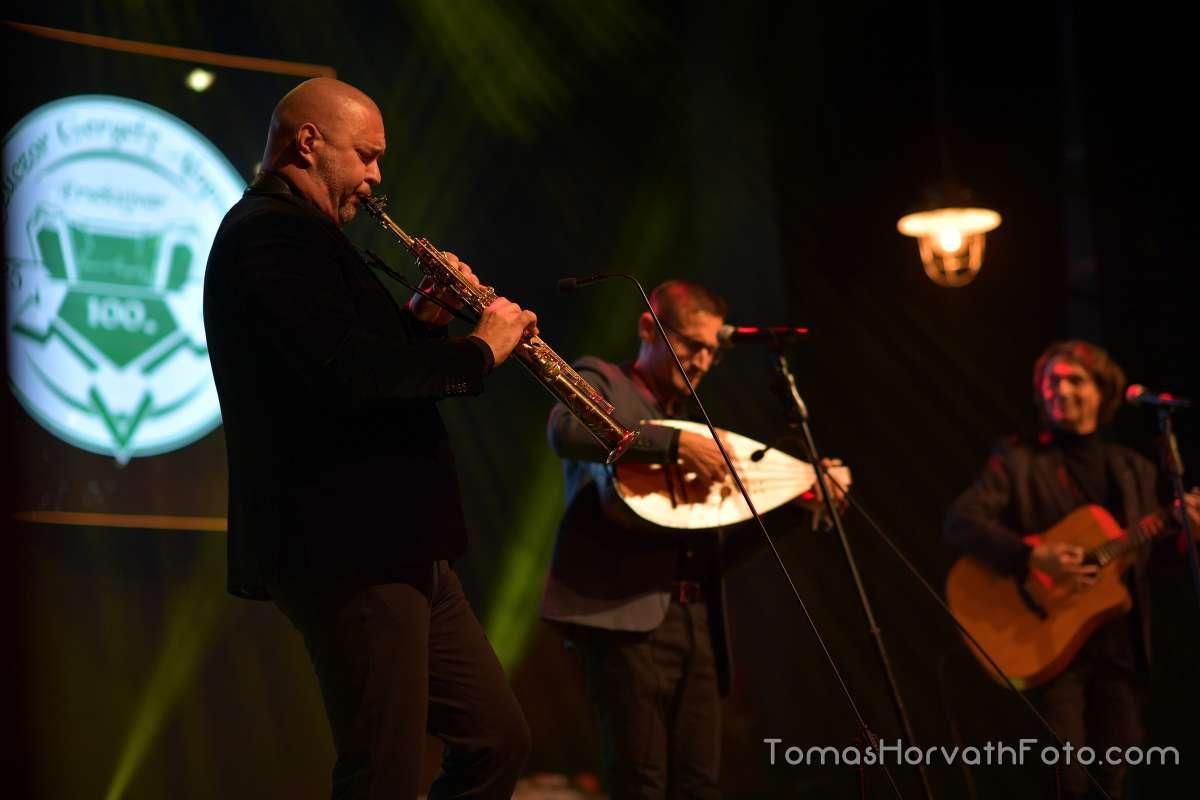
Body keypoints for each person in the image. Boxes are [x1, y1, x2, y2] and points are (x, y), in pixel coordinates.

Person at [203, 78, 533, 799]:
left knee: (495, 741)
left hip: (401, 544)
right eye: (367, 156)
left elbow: (355, 362)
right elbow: (350, 374)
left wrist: (421, 321)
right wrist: (479, 350)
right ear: (309, 143)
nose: (377, 176)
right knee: (382, 774)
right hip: (347, 544)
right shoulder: (267, 233)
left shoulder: (306, 236)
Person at [541, 279, 837, 799]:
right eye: (690, 345)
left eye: (710, 351)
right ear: (648, 328)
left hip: (697, 623)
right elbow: (566, 429)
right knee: (641, 783)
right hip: (625, 620)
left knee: (700, 784)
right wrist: (671, 442)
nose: (701, 361)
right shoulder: (606, 381)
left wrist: (800, 505)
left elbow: (715, 549)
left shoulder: (692, 424)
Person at [944, 340, 1200, 799]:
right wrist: (1030, 555)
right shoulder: (1018, 460)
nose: (1061, 391)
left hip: (1119, 651)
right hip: (1051, 646)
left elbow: (1147, 560)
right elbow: (961, 521)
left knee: (1119, 779)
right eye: (1052, 382)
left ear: (1102, 391)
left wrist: (1187, 535)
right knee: (1068, 780)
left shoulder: (1134, 469)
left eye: (1074, 380)